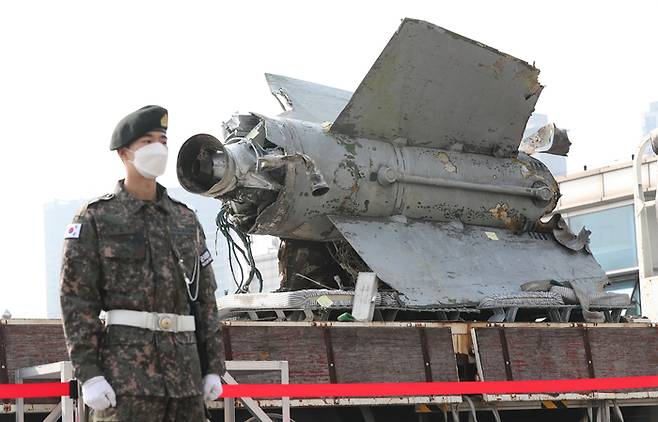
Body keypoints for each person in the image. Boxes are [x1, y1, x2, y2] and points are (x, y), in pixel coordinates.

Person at [60, 105, 224, 421]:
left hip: (186, 382)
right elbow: (76, 301)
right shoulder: (96, 218)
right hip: (127, 381)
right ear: (124, 153)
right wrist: (89, 374)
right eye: (147, 141)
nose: (158, 148)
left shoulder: (185, 219)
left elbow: (205, 300)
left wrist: (213, 366)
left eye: (162, 139)